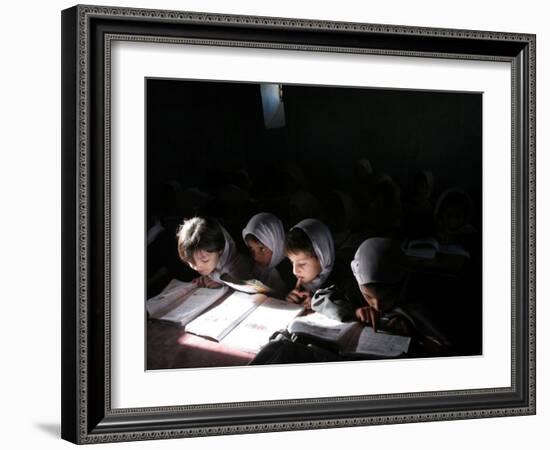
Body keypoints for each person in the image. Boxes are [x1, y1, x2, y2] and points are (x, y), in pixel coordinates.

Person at [351, 237, 448, 355]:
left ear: (402, 284)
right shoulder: (351, 291)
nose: (377, 306)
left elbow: (444, 347)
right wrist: (358, 313)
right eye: (368, 296)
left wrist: (414, 333)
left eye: (386, 297)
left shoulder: (423, 300)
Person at [176, 216, 253, 288]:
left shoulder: (241, 269)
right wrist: (207, 277)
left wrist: (222, 283)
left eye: (204, 260)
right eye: (191, 261)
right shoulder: (203, 257)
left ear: (220, 250)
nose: (197, 267)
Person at [284, 218, 335, 309]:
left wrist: (319, 304)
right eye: (292, 262)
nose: (294, 271)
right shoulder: (295, 283)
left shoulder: (342, 286)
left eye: (302, 264)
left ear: (323, 257)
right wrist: (291, 302)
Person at [242, 212, 288, 297]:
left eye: (261, 248)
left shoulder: (289, 271)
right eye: (251, 249)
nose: (256, 256)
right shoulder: (257, 267)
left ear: (275, 242)